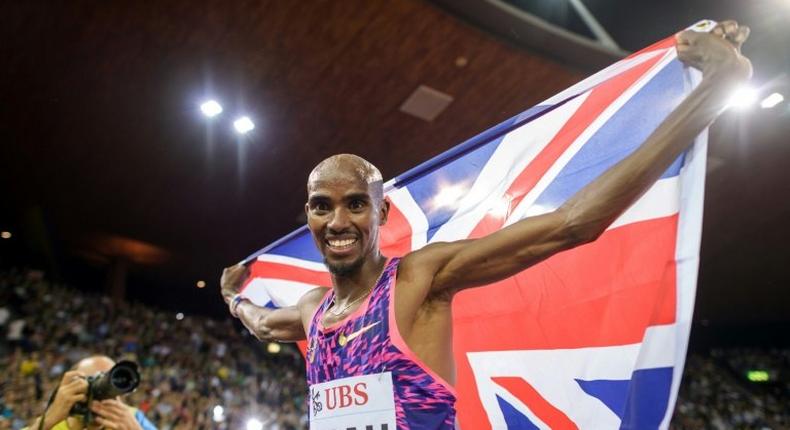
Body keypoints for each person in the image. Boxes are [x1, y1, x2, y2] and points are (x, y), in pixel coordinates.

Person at [221, 21, 752, 429]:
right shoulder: (314, 309)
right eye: (322, 206)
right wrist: (233, 297)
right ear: (309, 216)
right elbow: (264, 324)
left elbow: (572, 223)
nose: (338, 220)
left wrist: (710, 96)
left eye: (356, 204)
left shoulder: (419, 279)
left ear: (381, 213)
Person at [26, 356, 156, 430]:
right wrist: (46, 422)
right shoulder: (53, 422)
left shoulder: (132, 418)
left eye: (111, 383)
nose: (102, 394)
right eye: (93, 382)